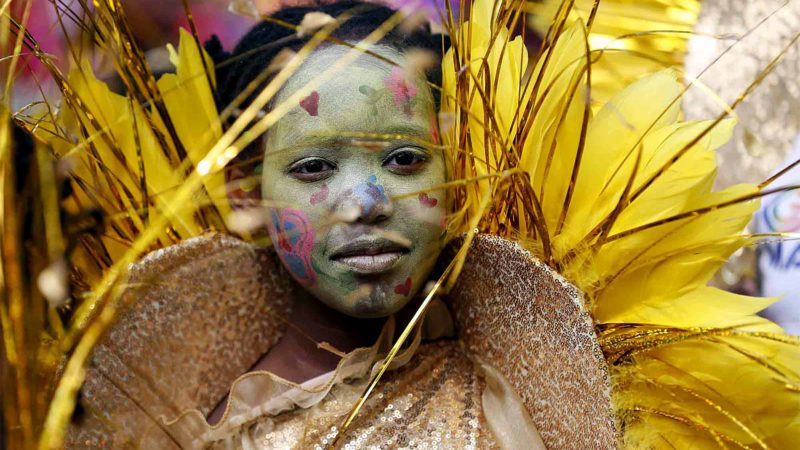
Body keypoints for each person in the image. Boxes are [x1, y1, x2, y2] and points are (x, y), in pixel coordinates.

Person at [65, 2, 615, 448]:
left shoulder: (515, 401)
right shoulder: (216, 435)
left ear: (457, 169)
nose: (366, 203)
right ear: (246, 192)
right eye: (313, 167)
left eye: (404, 159)